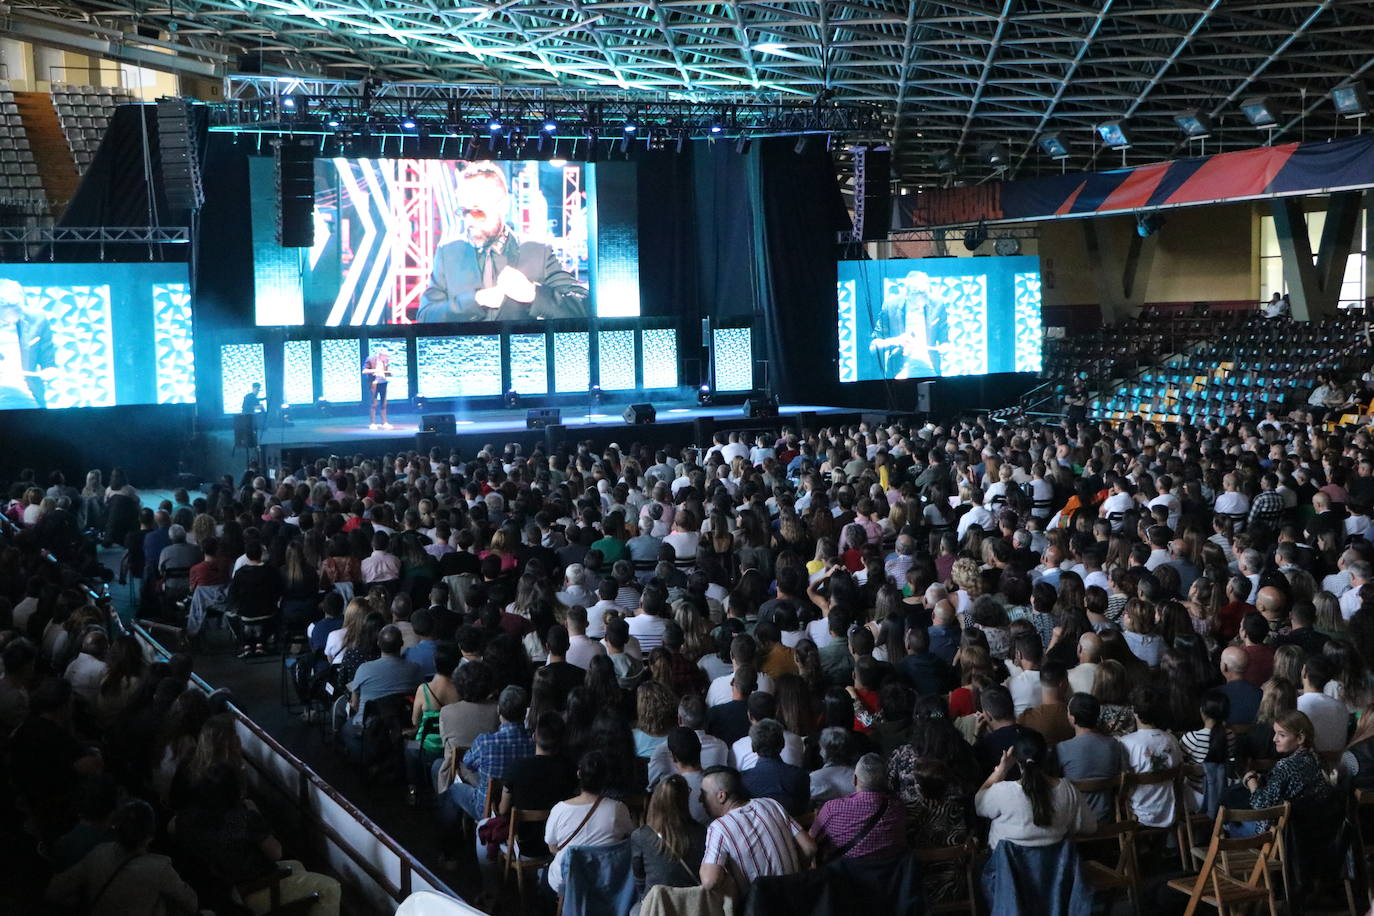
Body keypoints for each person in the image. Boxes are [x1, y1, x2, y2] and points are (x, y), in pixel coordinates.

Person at [418, 162, 590, 322]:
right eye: (464, 211)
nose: (469, 221)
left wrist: (533, 294)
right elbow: (425, 316)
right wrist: (475, 300)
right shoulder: (448, 252)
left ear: (503, 206)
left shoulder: (538, 252)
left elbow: (584, 305)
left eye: (478, 211)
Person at [46, 799, 197, 915]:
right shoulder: (160, 869)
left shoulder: (98, 854)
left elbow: (54, 891)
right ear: (149, 837)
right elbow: (191, 903)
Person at [698, 765, 816, 896]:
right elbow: (809, 847)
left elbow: (710, 881)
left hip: (759, 906)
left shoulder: (719, 828)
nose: (700, 800)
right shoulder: (771, 804)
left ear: (721, 796)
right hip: (798, 898)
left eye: (704, 794)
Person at [975, 730, 1096, 849]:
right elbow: (1089, 827)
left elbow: (979, 804)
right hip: (1054, 868)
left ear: (1016, 759)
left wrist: (1001, 770)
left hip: (1007, 867)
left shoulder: (1002, 792)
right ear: (1046, 755)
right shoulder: (1067, 789)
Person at [544, 750, 634, 896]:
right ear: (606, 778)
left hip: (568, 880)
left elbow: (552, 847)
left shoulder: (559, 809)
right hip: (606, 880)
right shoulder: (618, 809)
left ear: (579, 774)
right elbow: (629, 836)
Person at [809, 752, 907, 861]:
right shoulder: (898, 807)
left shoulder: (832, 808)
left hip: (846, 876)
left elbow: (811, 840)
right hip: (887, 875)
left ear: (854, 779)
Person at [631, 774, 706, 899]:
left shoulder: (640, 836)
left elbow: (639, 880)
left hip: (656, 905)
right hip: (692, 904)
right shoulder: (702, 832)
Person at [0, 277, 54, 409]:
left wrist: (50, 371)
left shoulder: (37, 319)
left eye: (19, 307)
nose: (11, 324)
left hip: (26, 393)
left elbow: (49, 361)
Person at [362, 347, 392, 430]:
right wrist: (376, 370)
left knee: (384, 403)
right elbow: (364, 371)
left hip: (383, 382)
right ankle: (372, 423)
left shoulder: (385, 361)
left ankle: (384, 422)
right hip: (374, 383)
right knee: (374, 403)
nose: (386, 358)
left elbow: (385, 371)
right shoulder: (371, 359)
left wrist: (387, 373)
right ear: (380, 355)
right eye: (385, 356)